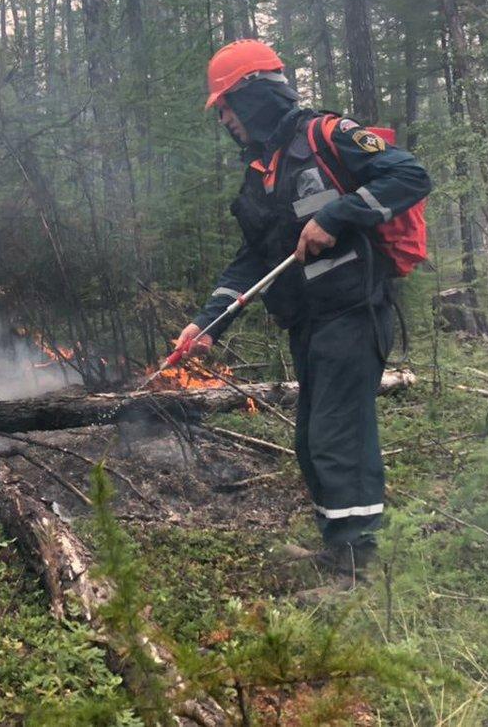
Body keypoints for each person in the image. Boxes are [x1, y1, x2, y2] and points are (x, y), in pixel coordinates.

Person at [177, 39, 431, 579]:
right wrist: (207, 324)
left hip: (354, 314)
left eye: (225, 106)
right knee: (311, 436)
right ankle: (335, 548)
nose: (224, 120)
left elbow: (410, 174)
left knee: (338, 435)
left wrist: (339, 215)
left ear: (252, 96)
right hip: (310, 323)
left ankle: (356, 570)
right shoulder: (262, 174)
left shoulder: (328, 135)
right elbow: (252, 259)